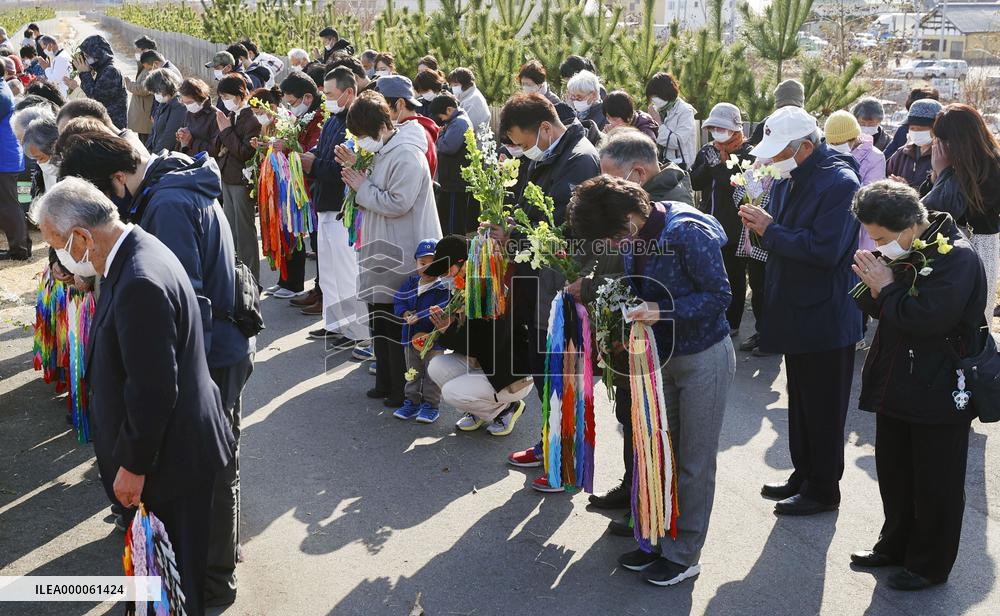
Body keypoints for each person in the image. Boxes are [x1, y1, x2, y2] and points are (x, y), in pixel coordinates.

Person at [58, 130, 253, 606]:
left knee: (211, 470)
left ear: (117, 180)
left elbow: (183, 305)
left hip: (212, 354)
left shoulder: (165, 206)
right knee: (215, 466)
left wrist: (186, 385)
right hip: (215, 349)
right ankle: (212, 566)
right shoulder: (167, 187)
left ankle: (212, 578)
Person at [569, 175, 735, 587]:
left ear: (628, 218)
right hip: (661, 356)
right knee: (663, 453)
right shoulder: (638, 233)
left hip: (703, 356)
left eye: (610, 237)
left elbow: (721, 297)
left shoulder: (686, 232)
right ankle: (660, 541)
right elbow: (633, 290)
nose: (610, 246)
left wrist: (660, 310)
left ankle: (684, 556)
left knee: (694, 461)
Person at [849, 180, 987, 591]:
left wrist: (887, 286)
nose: (878, 244)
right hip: (897, 380)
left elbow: (928, 319)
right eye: (872, 237)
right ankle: (894, 545)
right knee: (894, 472)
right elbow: (873, 302)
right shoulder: (907, 246)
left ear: (910, 224)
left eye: (882, 238)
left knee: (936, 481)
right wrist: (875, 284)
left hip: (939, 385)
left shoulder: (955, 258)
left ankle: (929, 564)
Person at [739, 105, 863, 516]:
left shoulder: (840, 182)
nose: (771, 160)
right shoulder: (792, 174)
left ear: (806, 147)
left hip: (826, 311)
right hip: (796, 304)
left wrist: (769, 230)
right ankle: (803, 473)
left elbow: (824, 250)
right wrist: (766, 228)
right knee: (802, 399)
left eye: (779, 152)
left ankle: (823, 487)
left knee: (824, 404)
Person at [578, 129, 693, 524]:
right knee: (631, 416)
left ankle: (649, 504)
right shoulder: (636, 208)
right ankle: (634, 489)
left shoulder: (666, 213)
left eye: (611, 178)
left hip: (657, 337)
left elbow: (626, 269)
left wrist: (590, 286)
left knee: (651, 423)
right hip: (633, 329)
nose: (606, 188)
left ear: (638, 174)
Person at [498, 93, 600, 482]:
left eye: (523, 143)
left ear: (544, 128)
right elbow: (529, 210)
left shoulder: (580, 160)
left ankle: (566, 462)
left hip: (565, 282)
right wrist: (510, 227)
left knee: (564, 373)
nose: (523, 152)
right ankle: (550, 444)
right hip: (542, 281)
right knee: (547, 370)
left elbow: (563, 229)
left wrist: (515, 238)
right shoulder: (549, 156)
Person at [340, 91, 442, 407]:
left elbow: (398, 202)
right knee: (379, 316)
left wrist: (361, 185)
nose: (361, 142)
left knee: (398, 320)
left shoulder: (406, 154)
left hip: (402, 250)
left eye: (362, 135)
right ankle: (385, 382)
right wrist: (359, 172)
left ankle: (403, 390)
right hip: (382, 245)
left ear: (381, 127)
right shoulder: (386, 149)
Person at [425, 235, 534, 433]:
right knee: (436, 366)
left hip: (510, 374)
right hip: (487, 363)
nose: (446, 276)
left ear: (463, 262)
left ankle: (506, 408)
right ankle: (479, 410)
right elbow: (474, 340)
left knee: (451, 392)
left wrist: (448, 330)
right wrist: (447, 327)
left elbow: (487, 343)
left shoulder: (488, 286)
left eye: (447, 269)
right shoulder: (468, 283)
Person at [298, 67, 369, 344]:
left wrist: (313, 164)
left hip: (342, 208)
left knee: (346, 272)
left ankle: (357, 331)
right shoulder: (333, 119)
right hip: (324, 203)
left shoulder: (356, 123)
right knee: (328, 270)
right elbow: (325, 150)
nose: (324, 98)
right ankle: (335, 324)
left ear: (348, 92)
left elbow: (345, 169)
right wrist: (312, 155)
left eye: (329, 94)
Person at [921, 103, 1000, 323]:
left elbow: (948, 209)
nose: (939, 146)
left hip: (979, 245)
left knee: (974, 315)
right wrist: (937, 175)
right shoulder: (947, 163)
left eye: (944, 141)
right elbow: (926, 209)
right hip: (943, 245)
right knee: (946, 313)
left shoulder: (991, 166)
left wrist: (945, 173)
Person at [691, 102, 754, 336]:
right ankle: (711, 317)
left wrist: (719, 166)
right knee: (709, 273)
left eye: (723, 127)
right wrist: (709, 166)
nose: (718, 132)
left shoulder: (748, 153)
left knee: (735, 276)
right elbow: (695, 182)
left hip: (737, 226)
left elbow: (738, 186)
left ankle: (733, 323)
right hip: (709, 223)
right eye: (714, 127)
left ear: (736, 129)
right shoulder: (707, 151)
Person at [265, 71, 327, 300]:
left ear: (308, 98)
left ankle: (320, 291)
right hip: (297, 183)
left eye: (292, 102)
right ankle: (296, 284)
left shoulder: (320, 118)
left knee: (316, 241)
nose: (290, 107)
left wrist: (288, 147)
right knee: (297, 234)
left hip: (310, 186)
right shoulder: (303, 116)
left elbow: (310, 152)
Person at [392, 238, 450, 423]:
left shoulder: (443, 288)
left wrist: (422, 315)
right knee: (412, 372)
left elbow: (444, 308)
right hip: (410, 339)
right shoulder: (410, 283)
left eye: (433, 264)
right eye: (422, 263)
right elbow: (399, 300)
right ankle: (412, 402)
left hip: (434, 342)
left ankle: (431, 405)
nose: (426, 268)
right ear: (416, 263)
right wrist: (405, 313)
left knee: (432, 374)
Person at [213, 74, 262, 282]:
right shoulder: (233, 113)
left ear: (240, 94)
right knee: (231, 230)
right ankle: (235, 274)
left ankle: (251, 277)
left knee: (244, 232)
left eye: (226, 96)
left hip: (241, 180)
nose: (224, 100)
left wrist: (225, 130)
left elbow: (244, 152)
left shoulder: (251, 117)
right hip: (228, 177)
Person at [429, 92, 476, 234]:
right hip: (451, 180)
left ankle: (455, 250)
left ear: (449, 109)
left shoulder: (459, 123)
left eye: (441, 116)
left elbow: (448, 146)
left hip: (456, 181)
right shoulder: (455, 121)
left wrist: (439, 134)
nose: (441, 120)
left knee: (453, 222)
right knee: (448, 219)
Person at [377, 75, 438, 178]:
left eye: (382, 107)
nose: (378, 114)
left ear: (400, 104)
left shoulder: (414, 137)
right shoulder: (411, 129)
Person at [55, 99, 150, 157]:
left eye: (69, 135)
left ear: (90, 125)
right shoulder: (121, 144)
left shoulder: (128, 157)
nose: (66, 147)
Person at [0, 77, 27, 261]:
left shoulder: (1, 93)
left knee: (9, 205)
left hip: (5, 157)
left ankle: (20, 249)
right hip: (6, 155)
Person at [886, 99, 941, 189]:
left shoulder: (942, 157)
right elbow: (886, 177)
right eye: (912, 128)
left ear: (935, 129)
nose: (915, 132)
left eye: (920, 129)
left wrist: (907, 190)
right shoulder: (901, 153)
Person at [76, 35, 127, 130]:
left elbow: (95, 98)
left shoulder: (111, 71)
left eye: (88, 56)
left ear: (98, 54)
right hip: (106, 124)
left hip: (114, 126)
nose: (86, 60)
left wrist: (85, 73)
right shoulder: (101, 70)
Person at [646, 72, 696, 169]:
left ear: (666, 93)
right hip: (662, 166)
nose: (653, 100)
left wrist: (658, 122)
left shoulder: (685, 111)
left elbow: (677, 141)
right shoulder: (658, 110)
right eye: (652, 97)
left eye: (656, 96)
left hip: (681, 167)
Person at [883, 86, 940, 160]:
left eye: (921, 126)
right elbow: (886, 159)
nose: (915, 130)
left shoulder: (944, 151)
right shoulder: (903, 131)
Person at [747, 78, 805, 147]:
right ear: (802, 100)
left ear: (777, 101)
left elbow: (751, 148)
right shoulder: (809, 124)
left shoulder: (767, 124)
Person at [146, 68, 186, 153]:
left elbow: (169, 137)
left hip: (167, 156)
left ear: (165, 87)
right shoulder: (163, 103)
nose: (155, 95)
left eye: (156, 91)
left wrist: (155, 156)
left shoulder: (179, 107)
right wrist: (147, 150)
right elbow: (154, 130)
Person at [177, 78, 219, 157]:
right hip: (189, 161)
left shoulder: (216, 116)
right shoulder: (189, 113)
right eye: (184, 103)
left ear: (200, 97)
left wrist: (191, 141)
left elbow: (216, 150)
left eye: (190, 102)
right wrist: (182, 138)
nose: (188, 106)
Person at [447, 67, 490, 133]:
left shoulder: (472, 101)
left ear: (465, 84)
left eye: (456, 85)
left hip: (473, 142)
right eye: (452, 86)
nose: (453, 88)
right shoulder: (468, 96)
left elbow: (464, 128)